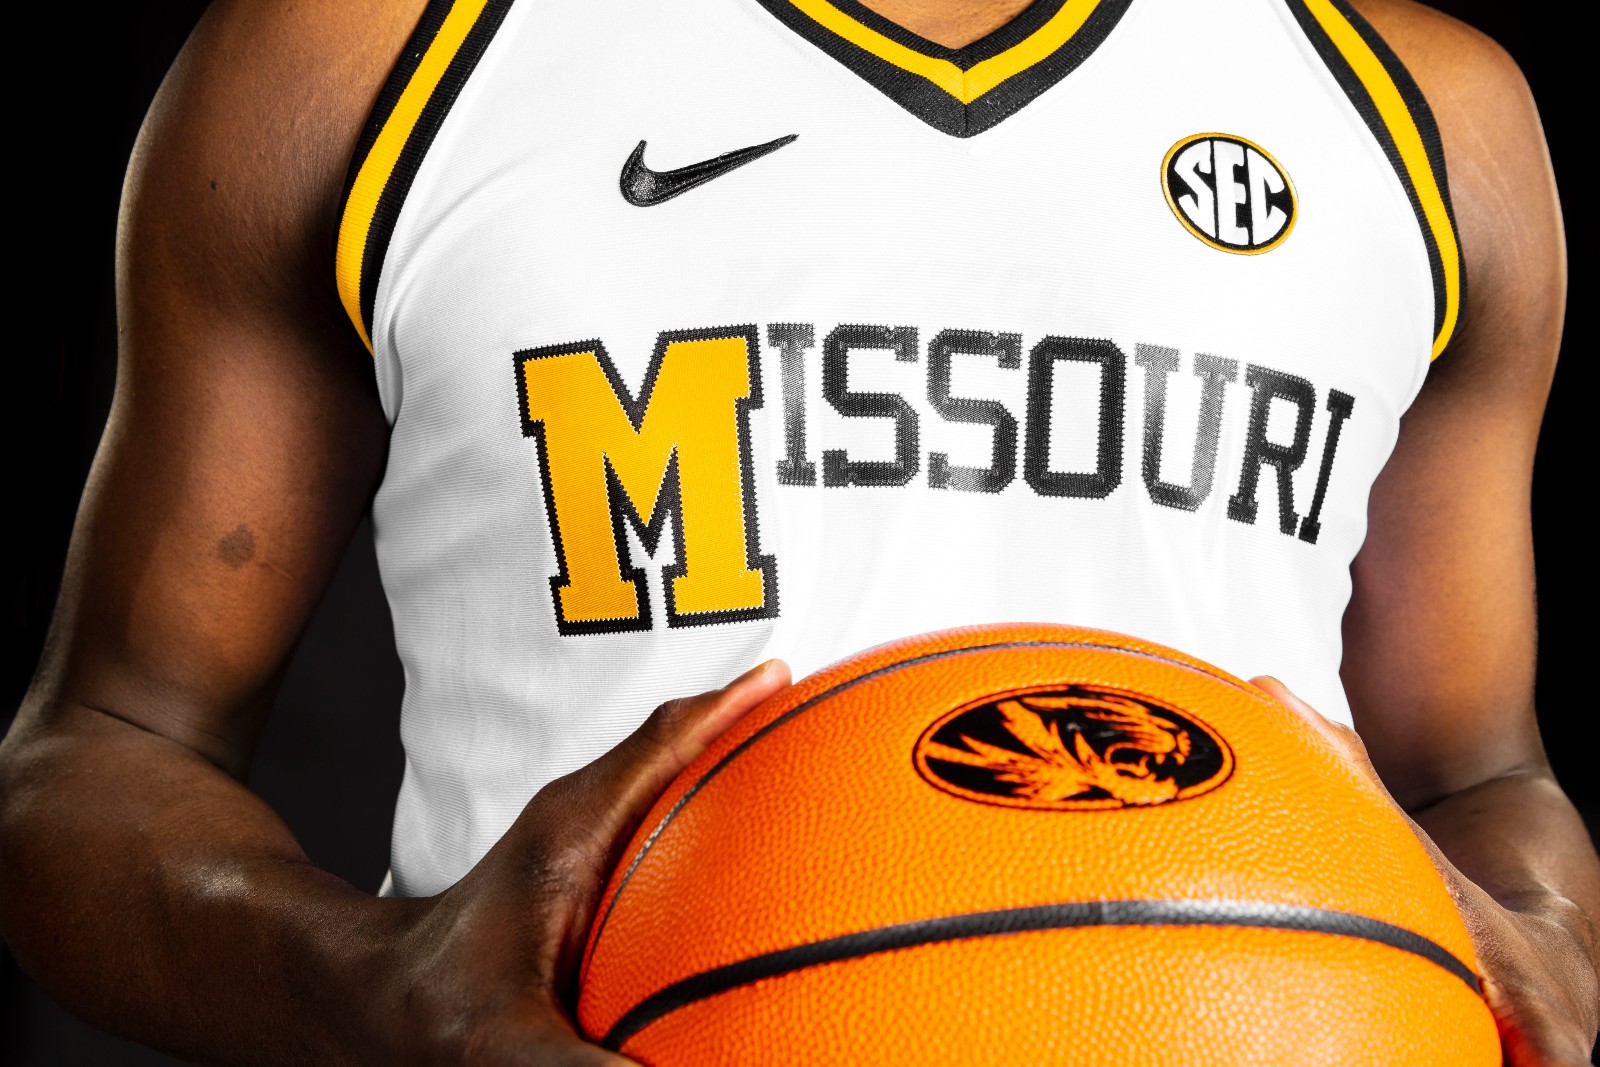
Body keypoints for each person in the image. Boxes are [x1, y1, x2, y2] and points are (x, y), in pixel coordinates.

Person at [1, 0, 1594, 1062]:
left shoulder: (1419, 114)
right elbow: (103, 751)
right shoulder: (376, 55)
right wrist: (367, 982)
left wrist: (1544, 944)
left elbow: (1479, 775)